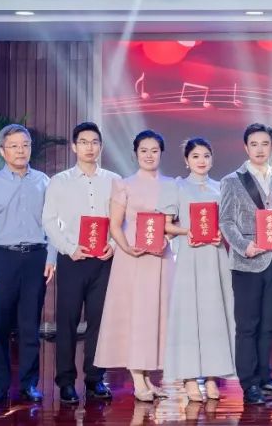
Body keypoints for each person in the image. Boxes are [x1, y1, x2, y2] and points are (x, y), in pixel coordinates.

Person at [0, 124, 57, 404]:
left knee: (30, 326)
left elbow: (54, 224)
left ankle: (29, 385)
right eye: (14, 146)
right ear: (2, 151)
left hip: (36, 258)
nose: (21, 151)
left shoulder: (44, 182)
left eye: (25, 145)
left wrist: (52, 256)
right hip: (2, 259)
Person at [94, 129, 176, 402]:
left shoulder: (171, 184)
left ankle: (148, 377)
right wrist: (127, 248)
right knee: (135, 314)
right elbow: (115, 225)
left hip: (160, 255)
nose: (149, 155)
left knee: (156, 315)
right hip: (132, 255)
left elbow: (173, 222)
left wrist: (166, 238)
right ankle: (137, 379)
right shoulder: (124, 184)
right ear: (135, 154)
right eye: (144, 150)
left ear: (161, 153)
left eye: (154, 150)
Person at [42, 121, 118, 404]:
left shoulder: (114, 180)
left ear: (101, 146)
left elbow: (122, 219)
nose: (90, 147)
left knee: (100, 322)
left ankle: (95, 379)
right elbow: (49, 221)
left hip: (104, 260)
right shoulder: (59, 181)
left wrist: (113, 244)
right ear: (74, 147)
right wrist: (70, 248)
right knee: (68, 322)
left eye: (95, 142)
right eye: (84, 142)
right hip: (73, 258)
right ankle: (65, 382)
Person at [219, 124, 272, 405]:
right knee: (247, 326)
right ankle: (249, 383)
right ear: (245, 147)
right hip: (247, 262)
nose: (260, 149)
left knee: (268, 325)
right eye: (254, 144)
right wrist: (244, 246)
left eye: (265, 144)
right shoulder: (232, 180)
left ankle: (265, 378)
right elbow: (226, 221)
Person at [161, 138, 236, 402]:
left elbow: (228, 224)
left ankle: (213, 376)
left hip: (215, 257)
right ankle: (190, 378)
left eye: (206, 155)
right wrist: (187, 231)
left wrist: (222, 235)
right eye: (195, 156)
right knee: (189, 316)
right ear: (186, 160)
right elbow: (166, 225)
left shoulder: (221, 187)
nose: (201, 160)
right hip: (189, 258)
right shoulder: (177, 186)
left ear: (212, 159)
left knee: (215, 315)